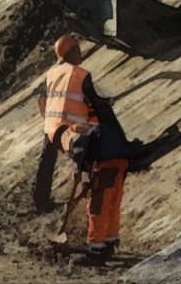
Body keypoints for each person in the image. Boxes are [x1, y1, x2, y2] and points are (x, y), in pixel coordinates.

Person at [38, 34, 134, 264]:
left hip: (57, 129)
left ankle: (99, 247)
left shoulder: (51, 74)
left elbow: (44, 100)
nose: (80, 52)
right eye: (77, 49)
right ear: (70, 52)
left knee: (100, 196)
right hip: (85, 136)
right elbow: (98, 108)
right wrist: (106, 110)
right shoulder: (80, 74)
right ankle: (106, 243)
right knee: (109, 197)